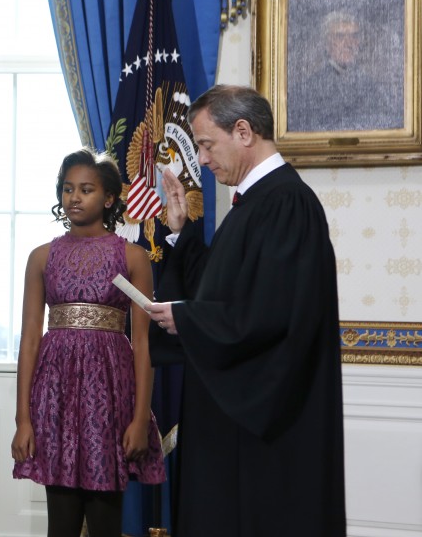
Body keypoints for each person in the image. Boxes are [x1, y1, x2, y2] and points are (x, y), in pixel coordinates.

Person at [146, 84, 346, 537]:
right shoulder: (257, 202)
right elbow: (224, 291)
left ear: (243, 131)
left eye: (205, 144)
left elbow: (270, 314)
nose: (200, 158)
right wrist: (181, 233)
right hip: (233, 425)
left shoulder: (285, 203)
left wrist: (187, 318)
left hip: (262, 432)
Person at [11, 149, 165, 537]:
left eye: (86, 189)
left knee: (105, 523)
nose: (74, 198)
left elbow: (144, 343)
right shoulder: (41, 257)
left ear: (109, 198)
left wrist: (140, 419)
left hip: (109, 402)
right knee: (60, 524)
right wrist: (23, 418)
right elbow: (30, 340)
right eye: (67, 189)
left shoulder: (132, 257)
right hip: (55, 397)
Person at [288, 10, 399, 132]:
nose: (349, 43)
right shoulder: (307, 89)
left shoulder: (371, 86)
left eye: (354, 36)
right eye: (340, 36)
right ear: (326, 43)